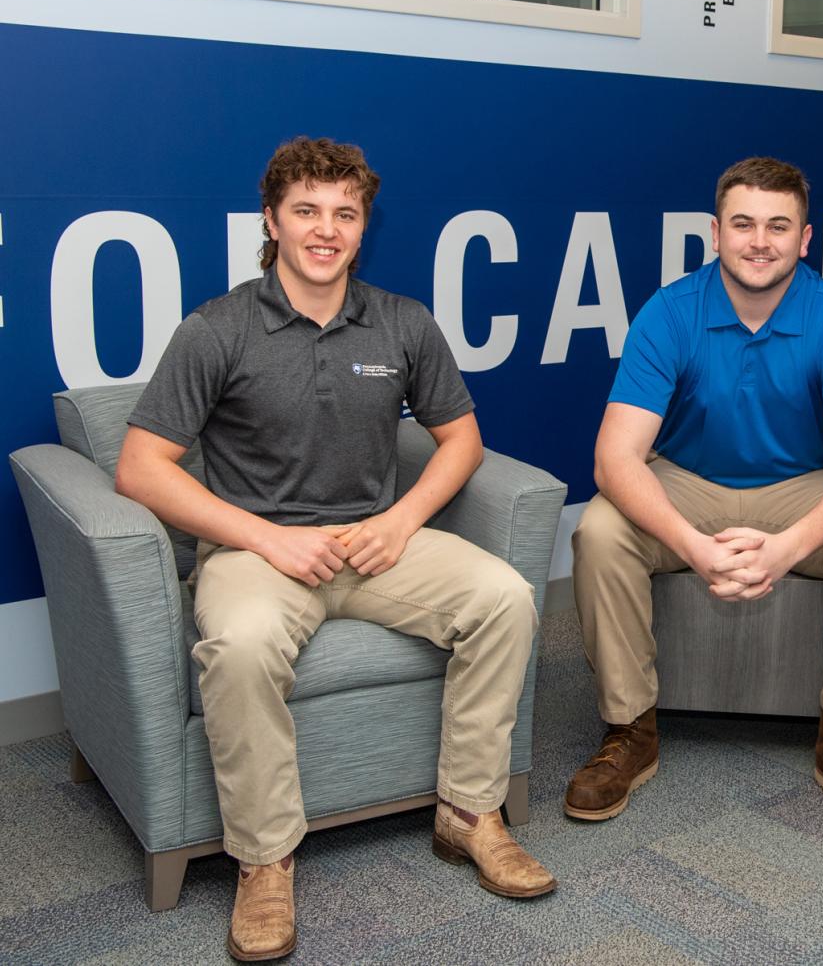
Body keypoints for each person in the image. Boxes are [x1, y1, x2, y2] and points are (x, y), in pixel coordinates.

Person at [115, 137, 553, 962]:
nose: (327, 229)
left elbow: (461, 440)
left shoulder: (401, 321)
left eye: (344, 214)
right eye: (307, 211)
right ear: (272, 221)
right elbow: (140, 467)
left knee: (505, 597)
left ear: (363, 226)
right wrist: (263, 538)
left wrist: (402, 519)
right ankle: (265, 860)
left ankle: (468, 813)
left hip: (374, 542)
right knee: (239, 645)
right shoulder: (218, 327)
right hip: (258, 549)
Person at [566, 156, 823, 833]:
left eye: (779, 226)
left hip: (799, 486)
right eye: (744, 223)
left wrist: (785, 549)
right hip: (691, 480)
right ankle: (628, 728)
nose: (760, 240)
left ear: (805, 238)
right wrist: (694, 546)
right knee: (601, 529)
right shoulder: (671, 311)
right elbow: (614, 457)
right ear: (715, 233)